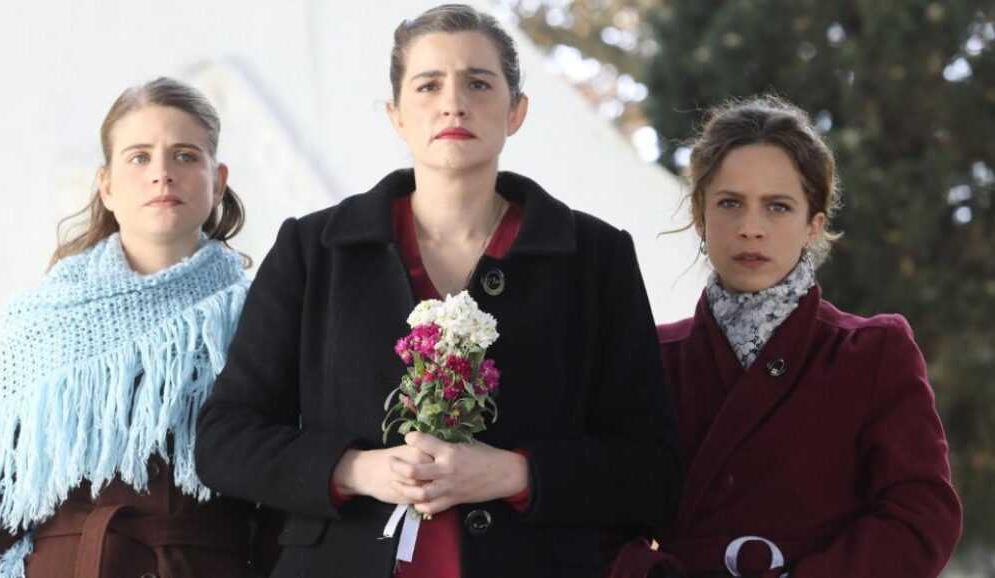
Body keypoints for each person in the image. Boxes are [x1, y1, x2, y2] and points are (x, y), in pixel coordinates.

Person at [193, 4, 681, 578]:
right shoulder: (314, 249)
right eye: (428, 85)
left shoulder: (595, 258)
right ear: (396, 115)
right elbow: (225, 441)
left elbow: (652, 471)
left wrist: (515, 474)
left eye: (479, 83)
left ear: (516, 111)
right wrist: (355, 470)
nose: (454, 103)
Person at [0, 77, 277, 578]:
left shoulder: (263, 315)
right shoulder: (42, 321)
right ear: (107, 185)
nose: (162, 174)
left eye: (184, 156)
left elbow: (281, 494)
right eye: (139, 157)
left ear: (217, 181)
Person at [611, 95, 962, 578]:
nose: (750, 228)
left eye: (777, 207)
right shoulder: (652, 357)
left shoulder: (874, 352)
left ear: (813, 225)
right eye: (730, 203)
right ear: (700, 215)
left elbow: (921, 517)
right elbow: (598, 517)